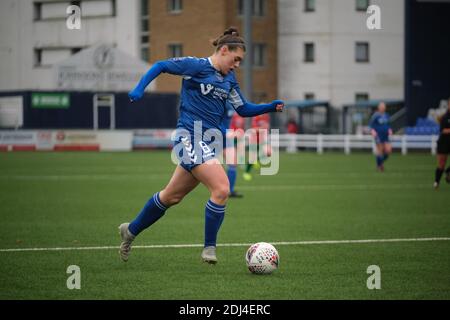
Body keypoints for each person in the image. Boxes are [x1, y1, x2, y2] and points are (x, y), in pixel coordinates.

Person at [120, 27, 284, 264]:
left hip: (209, 143)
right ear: (224, 50)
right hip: (188, 137)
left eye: (240, 61)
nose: (237, 64)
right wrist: (139, 88)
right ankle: (209, 249)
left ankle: (131, 230)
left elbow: (243, 108)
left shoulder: (229, 80)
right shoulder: (195, 66)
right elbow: (160, 65)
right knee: (221, 189)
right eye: (236, 58)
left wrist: (270, 106)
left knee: (171, 197)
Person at [221, 102, 245, 198]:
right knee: (202, 165)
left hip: (226, 137)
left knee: (233, 163)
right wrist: (226, 133)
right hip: (215, 136)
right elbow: (214, 120)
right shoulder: (220, 102)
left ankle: (229, 191)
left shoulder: (231, 103)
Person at [243, 113, 271, 181]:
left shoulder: (266, 117)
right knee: (252, 158)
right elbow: (254, 129)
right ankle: (246, 172)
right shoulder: (256, 118)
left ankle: (256, 160)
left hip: (262, 140)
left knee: (269, 153)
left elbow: (267, 128)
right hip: (254, 140)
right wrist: (262, 128)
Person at [369, 102, 392, 172]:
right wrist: (373, 131)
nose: (383, 108)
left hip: (386, 136)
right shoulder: (375, 116)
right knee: (380, 150)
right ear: (379, 108)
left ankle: (379, 163)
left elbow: (388, 124)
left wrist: (390, 130)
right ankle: (379, 166)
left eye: (384, 106)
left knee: (388, 150)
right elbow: (371, 125)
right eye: (381, 106)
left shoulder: (387, 115)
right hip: (378, 135)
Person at [433, 98, 450, 189]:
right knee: (441, 164)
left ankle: (448, 171)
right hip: (444, 142)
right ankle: (436, 182)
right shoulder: (445, 117)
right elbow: (443, 130)